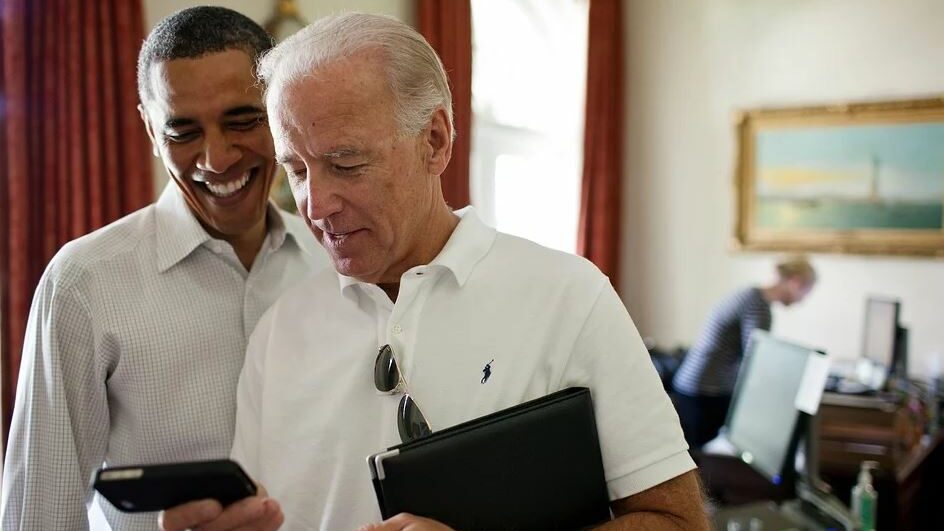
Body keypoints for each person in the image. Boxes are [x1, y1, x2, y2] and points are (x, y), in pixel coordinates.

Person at [160, 13, 709, 531]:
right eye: (296, 169)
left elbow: (679, 522)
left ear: (436, 140)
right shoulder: (279, 331)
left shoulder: (570, 297)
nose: (316, 203)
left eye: (346, 163)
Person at [0, 7, 328, 530]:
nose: (216, 159)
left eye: (242, 120)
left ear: (281, 112)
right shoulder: (83, 284)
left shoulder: (334, 268)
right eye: (182, 131)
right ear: (150, 131)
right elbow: (36, 516)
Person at [672, 256, 817, 449]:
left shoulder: (750, 295)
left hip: (694, 385)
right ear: (795, 282)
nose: (802, 301)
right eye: (805, 293)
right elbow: (758, 360)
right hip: (705, 391)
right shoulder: (758, 306)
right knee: (704, 459)